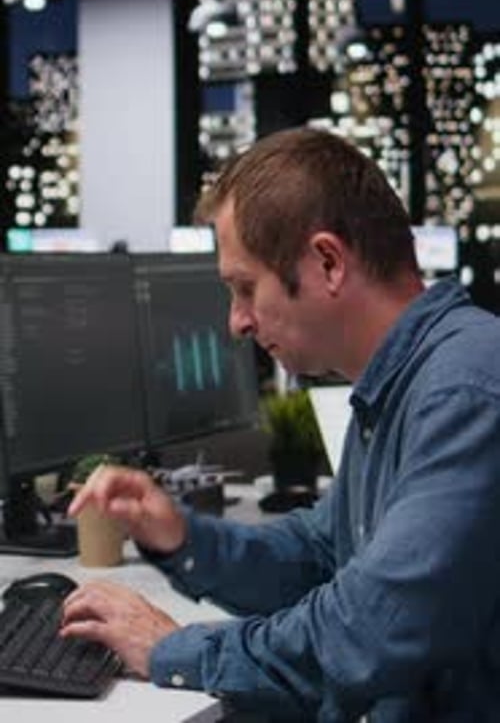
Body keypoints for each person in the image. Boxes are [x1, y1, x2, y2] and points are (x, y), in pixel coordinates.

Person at [61, 127, 500, 722]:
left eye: (245, 288)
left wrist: (172, 649)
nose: (237, 323)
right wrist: (183, 537)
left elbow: (366, 633)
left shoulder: (465, 390)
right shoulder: (403, 387)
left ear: (327, 262)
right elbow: (320, 556)